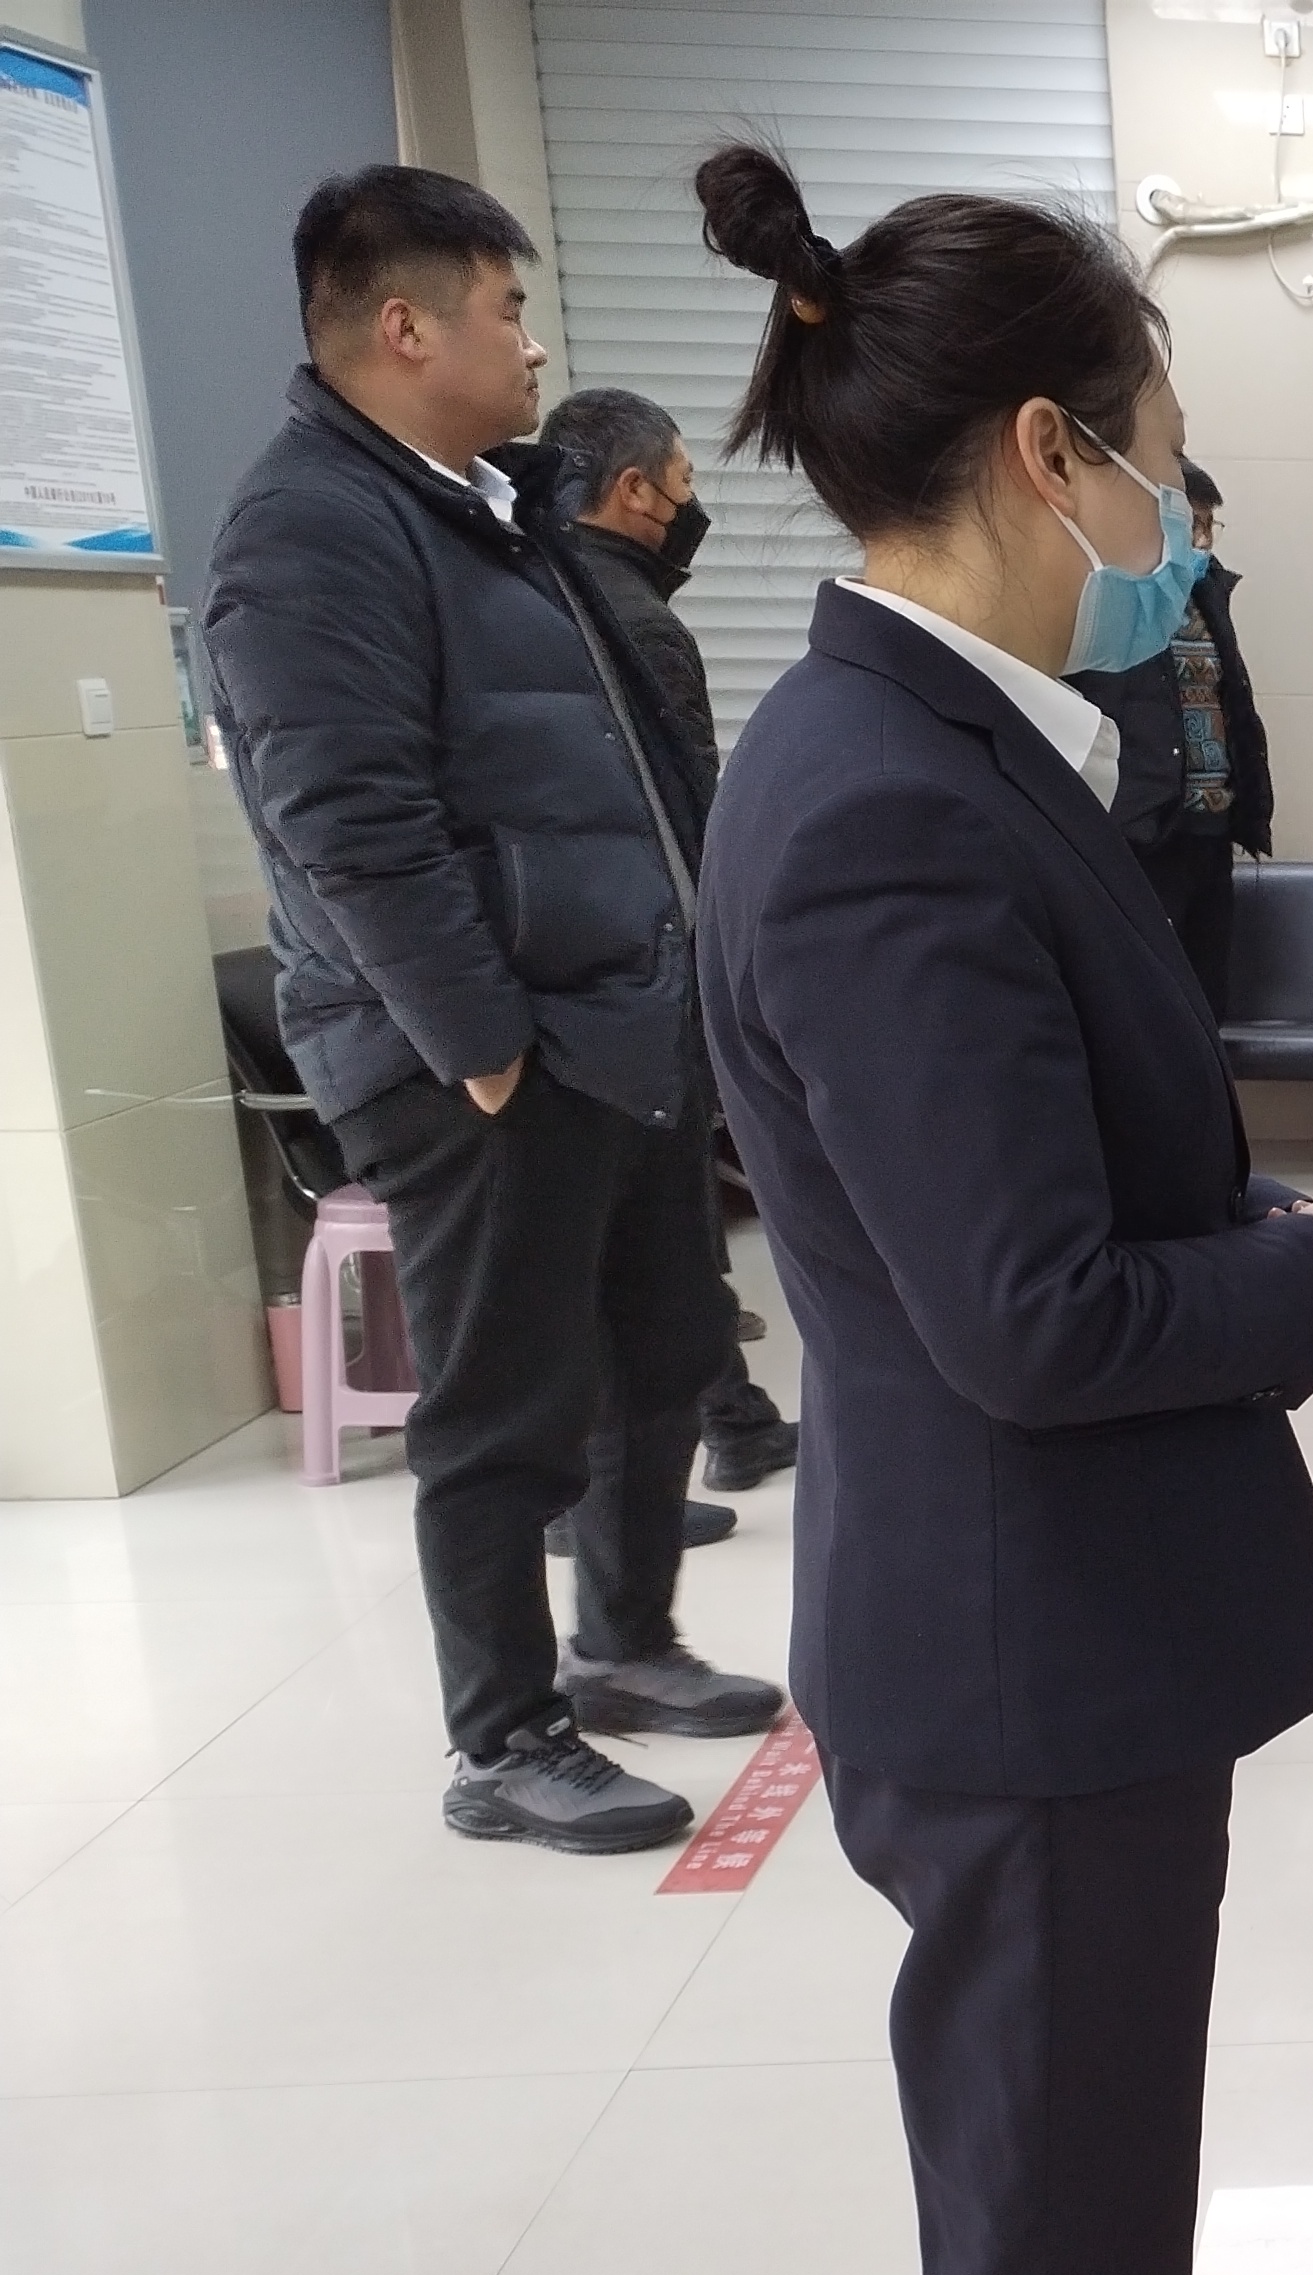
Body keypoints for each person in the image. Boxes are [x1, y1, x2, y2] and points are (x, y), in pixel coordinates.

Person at [687, 144, 1313, 2275]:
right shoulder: (882, 805)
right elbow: (1026, 1312)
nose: (1171, 526)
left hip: (1069, 1635)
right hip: (1019, 1661)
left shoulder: (951, 747)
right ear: (1042, 451)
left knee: (1099, 2198)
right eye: (1159, 462)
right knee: (1046, 2242)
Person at [200, 166, 780, 1857]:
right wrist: (482, 1047)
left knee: (663, 1352)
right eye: (508, 310)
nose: (533, 345)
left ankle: (626, 1644)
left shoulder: (494, 512)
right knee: (506, 1403)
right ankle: (504, 1739)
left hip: (615, 1021)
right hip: (484, 1053)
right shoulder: (309, 529)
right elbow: (349, 822)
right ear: (405, 327)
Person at [537, 381, 799, 1497]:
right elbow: (688, 810)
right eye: (685, 482)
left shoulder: (539, 590)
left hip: (585, 968)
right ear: (636, 491)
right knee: (658, 1223)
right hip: (640, 962)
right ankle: (654, 1468)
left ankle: (731, 1422)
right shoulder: (631, 621)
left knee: (654, 1219)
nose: (692, 507)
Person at [1070, 459, 1270, 1011]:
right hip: (1144, 830)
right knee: (1150, 999)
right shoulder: (1110, 597)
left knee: (1208, 995)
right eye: (1191, 524)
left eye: (1210, 525)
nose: (1201, 540)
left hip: (1213, 826)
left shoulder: (1208, 595)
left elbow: (1230, 700)